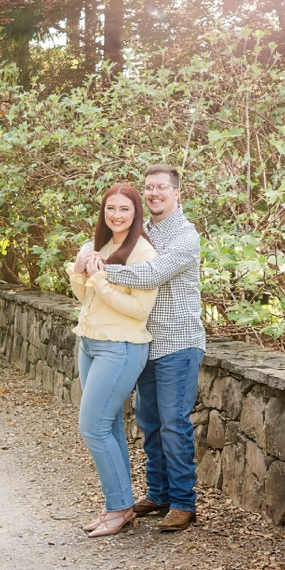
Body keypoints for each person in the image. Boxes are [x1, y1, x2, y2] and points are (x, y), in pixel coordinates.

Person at [83, 164, 205, 532]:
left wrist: (101, 270)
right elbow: (107, 240)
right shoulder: (144, 229)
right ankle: (158, 493)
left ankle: (183, 503)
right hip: (144, 341)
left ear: (177, 192)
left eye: (162, 187)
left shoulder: (186, 236)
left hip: (178, 343)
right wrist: (90, 255)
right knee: (149, 422)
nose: (154, 193)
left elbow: (151, 274)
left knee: (173, 423)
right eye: (149, 187)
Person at [66, 183, 160, 538]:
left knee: (92, 426)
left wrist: (100, 280)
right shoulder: (100, 246)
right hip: (90, 343)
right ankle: (116, 504)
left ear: (136, 213)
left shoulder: (143, 254)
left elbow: (139, 311)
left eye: (124, 209)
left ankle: (120, 507)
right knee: (109, 426)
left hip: (120, 347)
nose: (116, 215)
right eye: (110, 209)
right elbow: (83, 296)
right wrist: (80, 271)